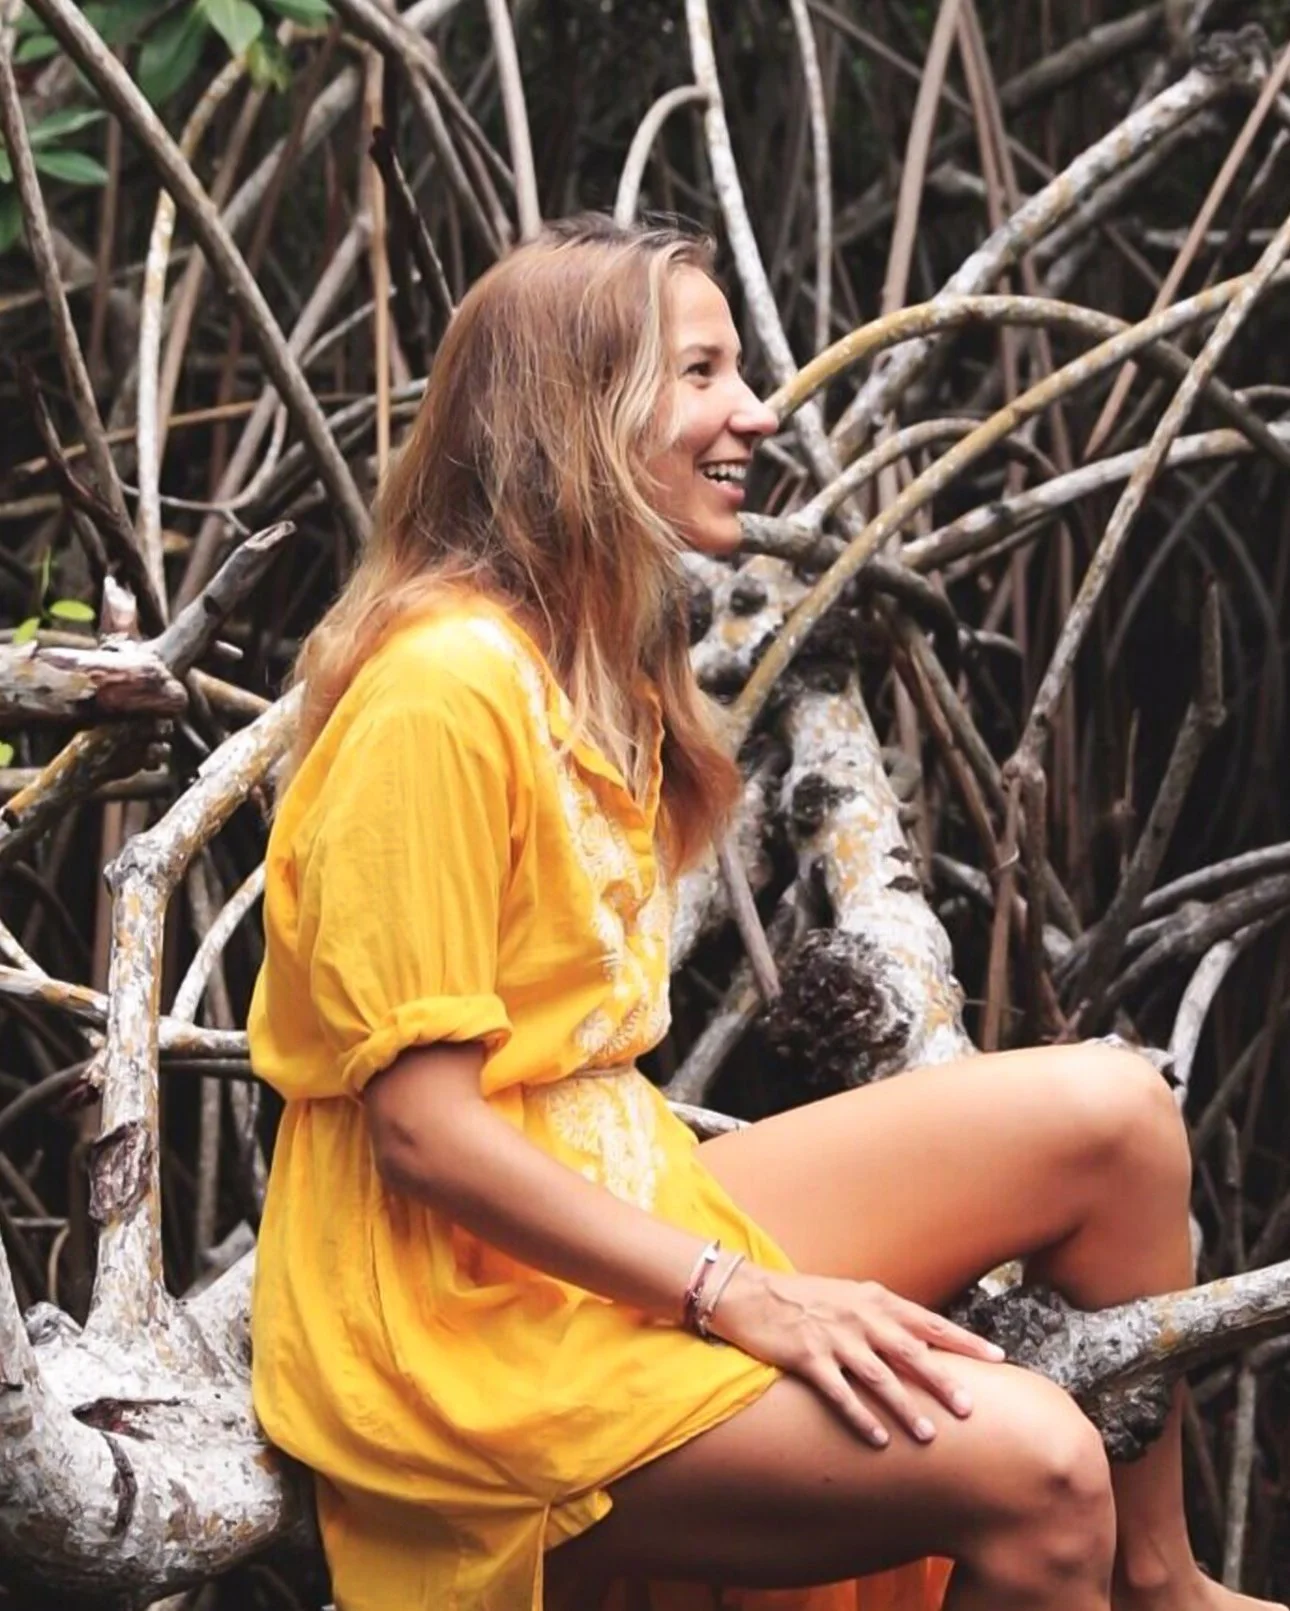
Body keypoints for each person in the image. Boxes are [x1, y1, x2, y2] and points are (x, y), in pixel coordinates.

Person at [247, 213, 1284, 1611]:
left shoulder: (573, 665)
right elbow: (424, 1133)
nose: (758, 410)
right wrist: (742, 1295)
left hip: (615, 1192)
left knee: (1116, 1114)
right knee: (1036, 1469)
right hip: (457, 1320)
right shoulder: (437, 691)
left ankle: (1156, 1585)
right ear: (575, 413)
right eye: (701, 373)